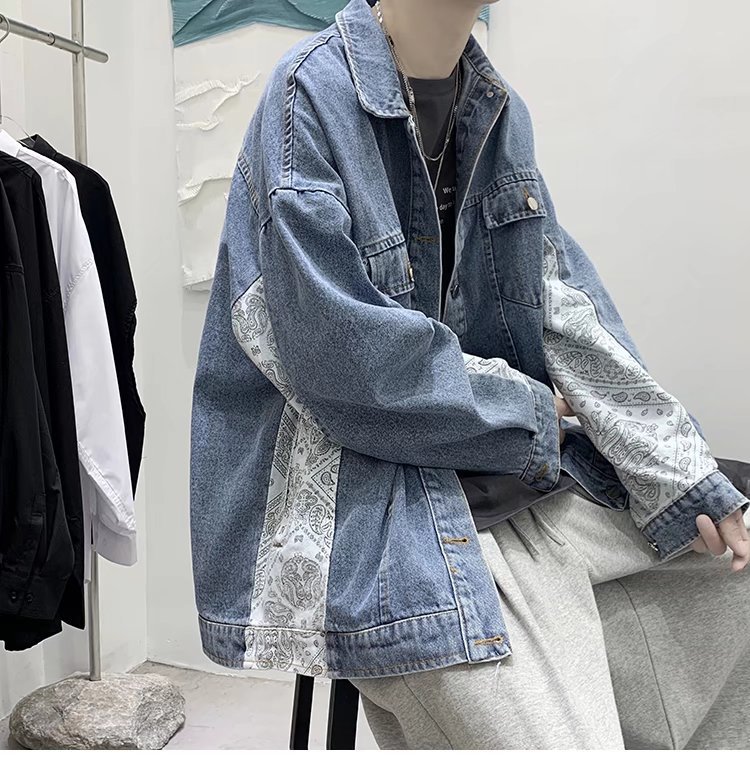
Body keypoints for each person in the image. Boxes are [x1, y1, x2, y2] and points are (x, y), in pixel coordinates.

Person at [190, 0, 750, 749]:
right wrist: (530, 410)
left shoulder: (495, 109)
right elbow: (345, 363)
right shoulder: (308, 97)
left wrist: (676, 469)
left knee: (731, 578)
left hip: (510, 480)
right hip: (377, 509)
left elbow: (558, 302)